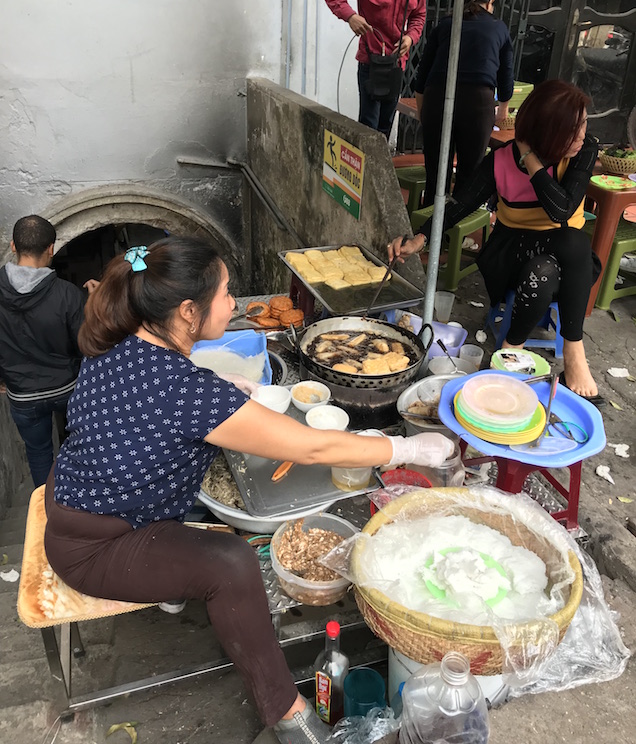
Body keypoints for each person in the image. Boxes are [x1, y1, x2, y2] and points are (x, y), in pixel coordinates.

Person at [44, 236, 454, 744]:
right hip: (94, 545)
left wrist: (221, 396)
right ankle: (290, 715)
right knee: (231, 561)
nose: (235, 304)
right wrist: (404, 451)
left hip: (80, 496)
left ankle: (172, 582)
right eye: (225, 294)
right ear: (189, 311)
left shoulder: (121, 340)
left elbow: (157, 411)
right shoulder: (183, 388)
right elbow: (313, 449)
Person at [388, 79, 605, 405]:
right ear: (545, 130)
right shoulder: (500, 160)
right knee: (568, 244)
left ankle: (523, 348)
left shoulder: (583, 151)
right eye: (570, 131)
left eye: (584, 125)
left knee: (556, 256)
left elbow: (563, 207)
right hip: (511, 255)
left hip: (566, 265)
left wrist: (531, 160)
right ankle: (555, 350)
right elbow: (460, 204)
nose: (581, 137)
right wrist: (419, 237)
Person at [0, 215, 99, 487]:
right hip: (67, 389)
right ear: (51, 249)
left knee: (39, 452)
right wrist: (89, 307)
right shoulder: (68, 294)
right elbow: (86, 345)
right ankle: (77, 501)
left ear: (12, 246)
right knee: (78, 446)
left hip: (22, 395)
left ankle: (45, 513)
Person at [415, 0, 514, 206]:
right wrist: (502, 112)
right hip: (477, 103)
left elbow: (421, 77)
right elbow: (505, 77)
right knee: (469, 172)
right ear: (491, 3)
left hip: (437, 98)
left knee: (436, 171)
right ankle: (456, 228)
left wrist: (424, 114)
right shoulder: (499, 28)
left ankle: (426, 228)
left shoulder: (445, 25)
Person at [324, 0, 431, 138]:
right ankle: (366, 169)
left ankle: (379, 166)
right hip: (370, 63)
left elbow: (419, 15)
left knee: (386, 124)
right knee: (369, 125)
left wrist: (411, 37)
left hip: (396, 64)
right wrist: (350, 16)